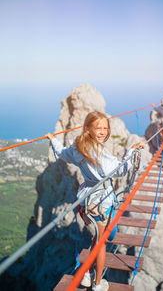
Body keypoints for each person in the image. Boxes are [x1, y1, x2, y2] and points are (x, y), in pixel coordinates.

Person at [45, 111, 145, 291]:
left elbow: (62, 153)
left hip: (87, 197)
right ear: (87, 129)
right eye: (98, 128)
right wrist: (131, 152)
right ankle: (97, 283)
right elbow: (119, 170)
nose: (103, 132)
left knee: (97, 238)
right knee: (101, 243)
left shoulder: (77, 147)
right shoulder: (99, 151)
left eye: (105, 128)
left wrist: (53, 139)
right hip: (101, 201)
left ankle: (88, 273)